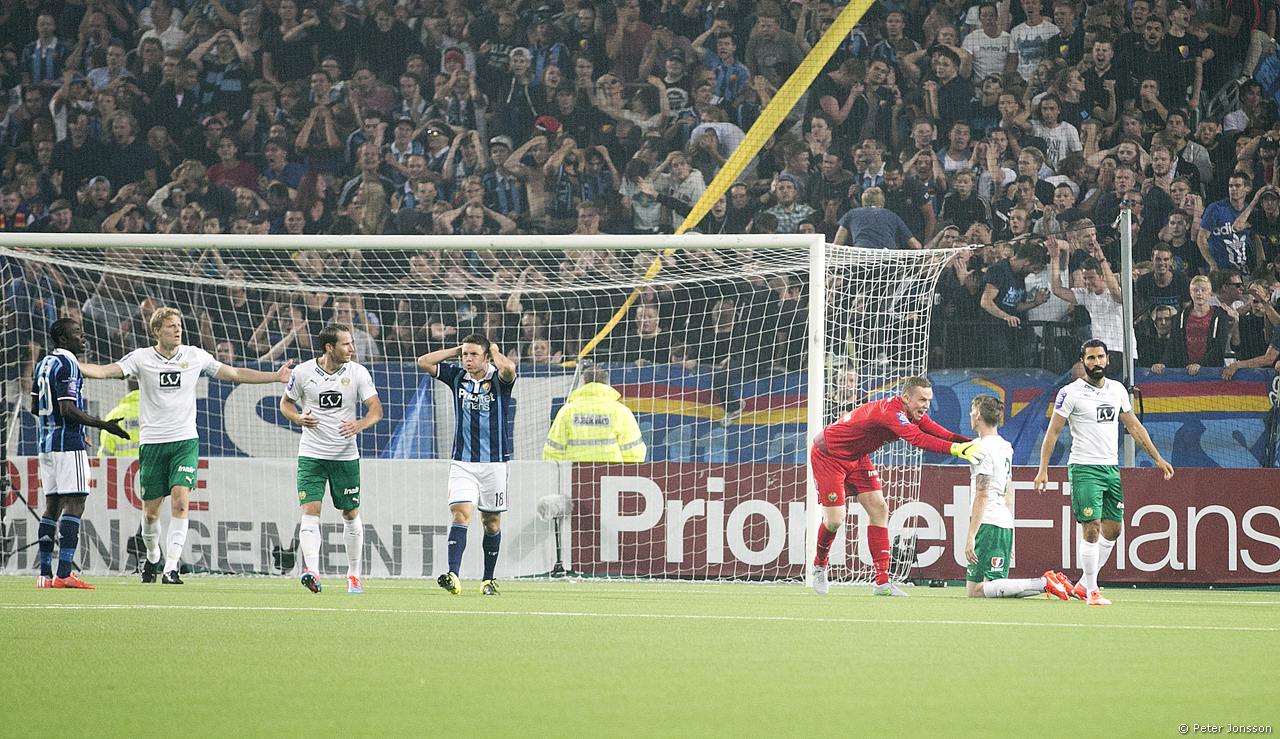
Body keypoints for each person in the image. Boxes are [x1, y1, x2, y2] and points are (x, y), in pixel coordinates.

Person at [79, 307, 292, 584]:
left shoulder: (194, 356)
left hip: (185, 441)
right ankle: (152, 557)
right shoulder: (142, 358)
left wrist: (275, 376)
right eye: (171, 326)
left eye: (179, 325)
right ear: (156, 331)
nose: (178, 330)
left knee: (180, 503)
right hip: (153, 443)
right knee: (151, 515)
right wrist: (74, 364)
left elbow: (234, 372)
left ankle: (171, 567)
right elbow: (105, 371)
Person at [809, 376, 984, 596]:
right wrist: (956, 450)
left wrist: (969, 443)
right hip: (828, 455)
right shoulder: (891, 413)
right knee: (835, 519)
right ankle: (819, 565)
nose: (926, 405)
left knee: (879, 509)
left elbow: (939, 432)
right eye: (922, 400)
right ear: (906, 398)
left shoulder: (913, 414)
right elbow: (918, 439)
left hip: (857, 458)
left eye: (929, 400)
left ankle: (882, 582)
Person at [1034, 340, 1174, 605]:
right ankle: (1092, 591)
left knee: (1113, 530)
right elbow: (1053, 432)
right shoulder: (1070, 393)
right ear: (1082, 361)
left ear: (1108, 359)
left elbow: (1134, 426)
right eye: (1091, 358)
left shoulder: (1117, 390)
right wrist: (1043, 469)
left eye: (1100, 357)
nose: (1096, 362)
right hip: (1084, 468)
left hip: (1110, 468)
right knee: (1091, 529)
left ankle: (1082, 585)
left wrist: (1157, 458)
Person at [280, 323, 383, 594]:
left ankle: (354, 575)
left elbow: (376, 410)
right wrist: (298, 418)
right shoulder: (302, 372)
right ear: (329, 347)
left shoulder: (358, 372)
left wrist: (359, 424)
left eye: (351, 343)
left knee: (349, 513)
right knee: (310, 510)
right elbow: (286, 403)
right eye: (346, 344)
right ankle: (312, 571)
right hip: (311, 454)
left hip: (345, 456)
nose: (352, 348)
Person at [31, 320, 129, 589]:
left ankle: (45, 575)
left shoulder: (43, 364)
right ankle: (64, 573)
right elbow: (67, 409)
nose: (83, 336)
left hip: (46, 444)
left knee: (52, 505)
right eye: (76, 332)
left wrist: (70, 427)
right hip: (67, 444)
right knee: (75, 502)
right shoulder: (69, 364)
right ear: (63, 339)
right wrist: (102, 425)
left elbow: (35, 407)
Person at [417, 334, 516, 596]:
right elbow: (424, 361)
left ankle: (488, 580)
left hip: (495, 464)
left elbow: (509, 368)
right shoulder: (457, 377)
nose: (467, 359)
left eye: (473, 354)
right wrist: (456, 350)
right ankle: (453, 575)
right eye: (465, 355)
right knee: (460, 514)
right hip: (463, 462)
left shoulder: (499, 379)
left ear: (486, 356)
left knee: (491, 522)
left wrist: (493, 350)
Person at [964, 394, 1071, 600]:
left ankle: (1045, 582)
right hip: (1003, 523)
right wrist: (1010, 531)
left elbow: (982, 494)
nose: (970, 414)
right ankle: (1047, 584)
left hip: (988, 524)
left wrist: (971, 535)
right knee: (989, 589)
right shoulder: (1005, 446)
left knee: (976, 591)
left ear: (978, 415)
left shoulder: (981, 449)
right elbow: (1009, 493)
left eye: (972, 410)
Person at [543, 367, 646, 462]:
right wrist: (625, 472)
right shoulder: (620, 411)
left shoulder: (568, 410)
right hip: (611, 471)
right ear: (606, 383)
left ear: (584, 382)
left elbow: (553, 449)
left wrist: (559, 472)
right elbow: (634, 450)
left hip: (575, 472)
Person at [97, 377, 140, 457]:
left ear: (128, 388)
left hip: (122, 464)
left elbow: (105, 454)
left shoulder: (114, 415)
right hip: (152, 464)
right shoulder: (156, 412)